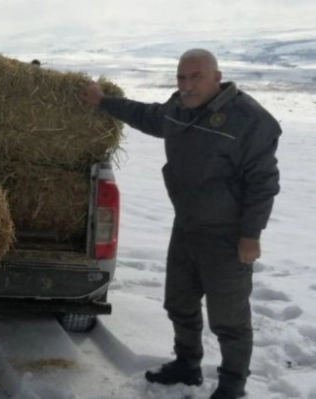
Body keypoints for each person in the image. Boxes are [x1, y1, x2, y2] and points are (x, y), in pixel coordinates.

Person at [81, 49, 280, 399]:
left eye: (196, 77)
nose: (187, 86)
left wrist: (251, 235)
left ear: (217, 77)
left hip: (227, 235)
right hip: (187, 226)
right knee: (179, 302)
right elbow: (145, 115)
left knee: (229, 319)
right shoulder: (177, 111)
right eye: (181, 78)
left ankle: (233, 385)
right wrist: (103, 101)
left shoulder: (250, 121)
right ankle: (187, 365)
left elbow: (263, 183)